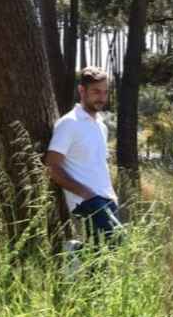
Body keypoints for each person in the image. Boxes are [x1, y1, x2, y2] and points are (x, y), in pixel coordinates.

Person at [45, 67, 122, 246]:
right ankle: (72, 251)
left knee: (107, 258)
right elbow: (51, 166)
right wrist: (86, 194)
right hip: (87, 200)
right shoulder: (69, 123)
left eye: (104, 92)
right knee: (118, 241)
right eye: (96, 92)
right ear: (82, 90)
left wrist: (110, 196)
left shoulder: (101, 126)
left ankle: (76, 253)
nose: (101, 98)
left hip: (108, 198)